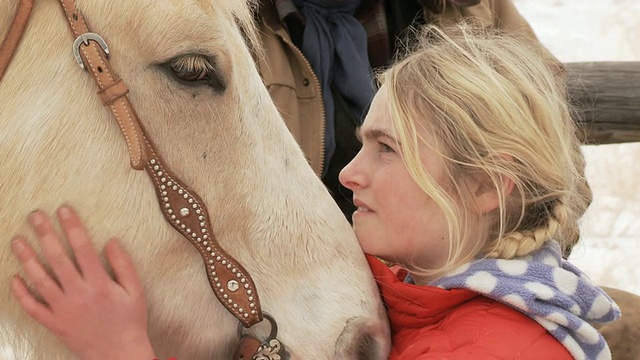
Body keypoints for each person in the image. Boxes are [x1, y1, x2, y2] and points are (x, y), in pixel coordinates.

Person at [10, 24, 619, 359]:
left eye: (387, 149)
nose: (348, 175)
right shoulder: (427, 305)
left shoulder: (490, 352)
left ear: (486, 186)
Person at [256, 0, 591, 244]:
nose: (350, 175)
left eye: (385, 147)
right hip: (300, 289)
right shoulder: (227, 28)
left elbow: (553, 155)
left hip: (458, 264)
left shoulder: (467, 9)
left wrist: (491, 268)